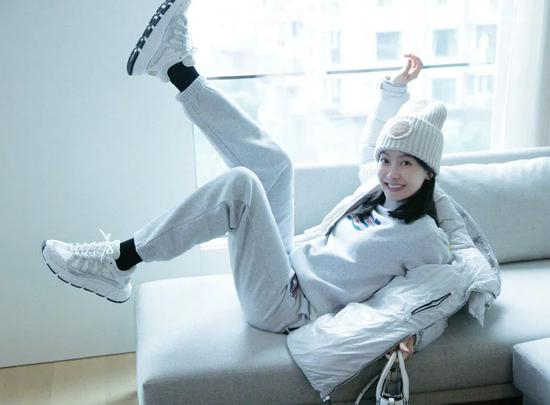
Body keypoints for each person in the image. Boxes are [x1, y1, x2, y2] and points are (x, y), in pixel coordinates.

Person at [41, 0, 451, 362]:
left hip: (288, 307)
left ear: (429, 171)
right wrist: (394, 89)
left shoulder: (425, 237)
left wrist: (415, 336)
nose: (391, 173)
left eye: (406, 164)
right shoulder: (375, 191)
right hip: (288, 265)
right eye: (387, 161)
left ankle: (119, 260)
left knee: (242, 187)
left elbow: (439, 294)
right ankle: (175, 68)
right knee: (277, 166)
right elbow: (372, 144)